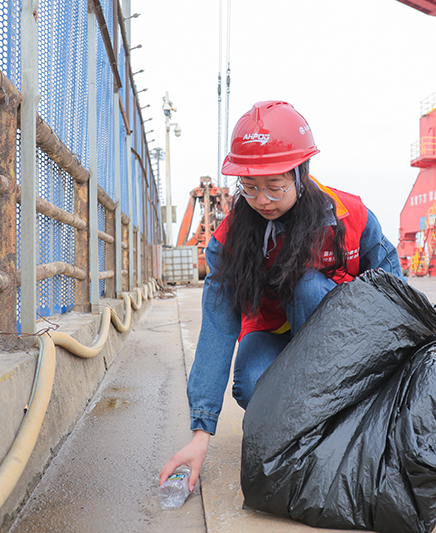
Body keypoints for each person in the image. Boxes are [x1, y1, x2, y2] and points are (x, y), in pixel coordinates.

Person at [160, 101, 402, 490]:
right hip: (274, 332)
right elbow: (218, 329)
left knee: (306, 286)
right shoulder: (230, 240)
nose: (263, 200)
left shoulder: (349, 216)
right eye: (250, 187)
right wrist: (200, 433)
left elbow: (395, 297)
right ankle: (307, 417)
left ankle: (334, 411)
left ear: (301, 174)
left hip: (339, 339)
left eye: (275, 186)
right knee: (252, 385)